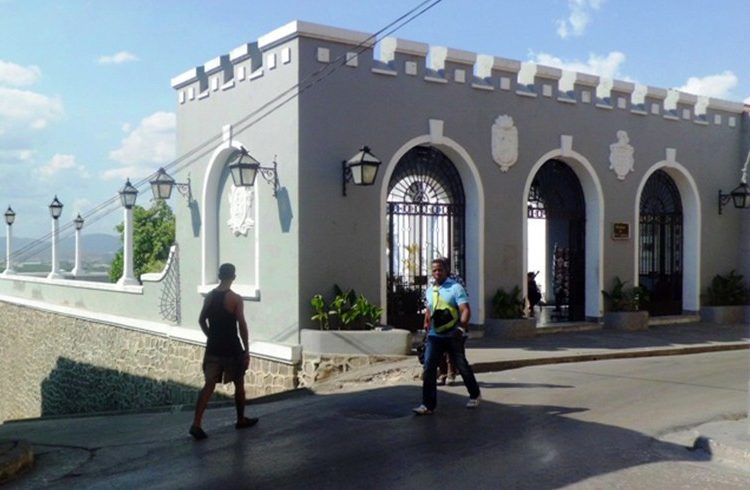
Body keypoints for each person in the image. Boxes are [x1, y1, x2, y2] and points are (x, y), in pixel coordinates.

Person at [190, 263, 257, 440]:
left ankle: (196, 424)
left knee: (208, 385)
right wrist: (246, 349)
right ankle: (240, 419)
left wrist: (210, 336)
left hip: (213, 348)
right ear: (233, 277)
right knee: (239, 383)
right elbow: (241, 325)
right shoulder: (235, 298)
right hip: (232, 348)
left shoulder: (210, 297)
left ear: (219, 276)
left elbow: (201, 320)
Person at [413, 258, 481, 415]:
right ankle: (427, 405)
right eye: (434, 270)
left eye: (440, 270)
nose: (437, 273)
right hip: (434, 336)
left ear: (447, 271)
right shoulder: (430, 290)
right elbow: (430, 310)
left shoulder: (456, 288)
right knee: (429, 368)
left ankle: (475, 394)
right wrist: (426, 324)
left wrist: (460, 329)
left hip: (453, 335)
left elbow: (465, 310)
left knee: (462, 366)